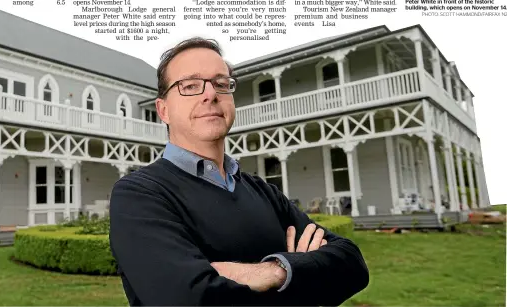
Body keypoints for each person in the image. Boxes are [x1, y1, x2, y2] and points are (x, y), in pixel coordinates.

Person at [108, 37, 369, 306]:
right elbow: (185, 298)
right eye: (190, 86)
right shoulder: (139, 194)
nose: (210, 94)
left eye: (221, 84)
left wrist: (278, 271)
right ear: (163, 110)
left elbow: (353, 266)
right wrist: (304, 272)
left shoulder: (265, 193)